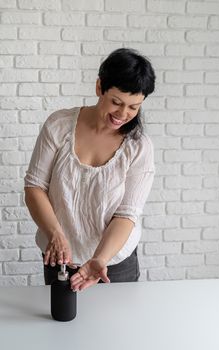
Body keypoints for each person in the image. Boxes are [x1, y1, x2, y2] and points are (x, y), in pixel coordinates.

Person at [24, 48, 156, 292]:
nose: (123, 114)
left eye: (133, 107)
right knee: (60, 326)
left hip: (113, 264)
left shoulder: (139, 147)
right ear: (99, 87)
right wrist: (55, 233)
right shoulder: (59, 126)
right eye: (116, 102)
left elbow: (126, 215)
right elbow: (35, 188)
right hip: (59, 255)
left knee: (116, 329)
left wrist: (100, 259)